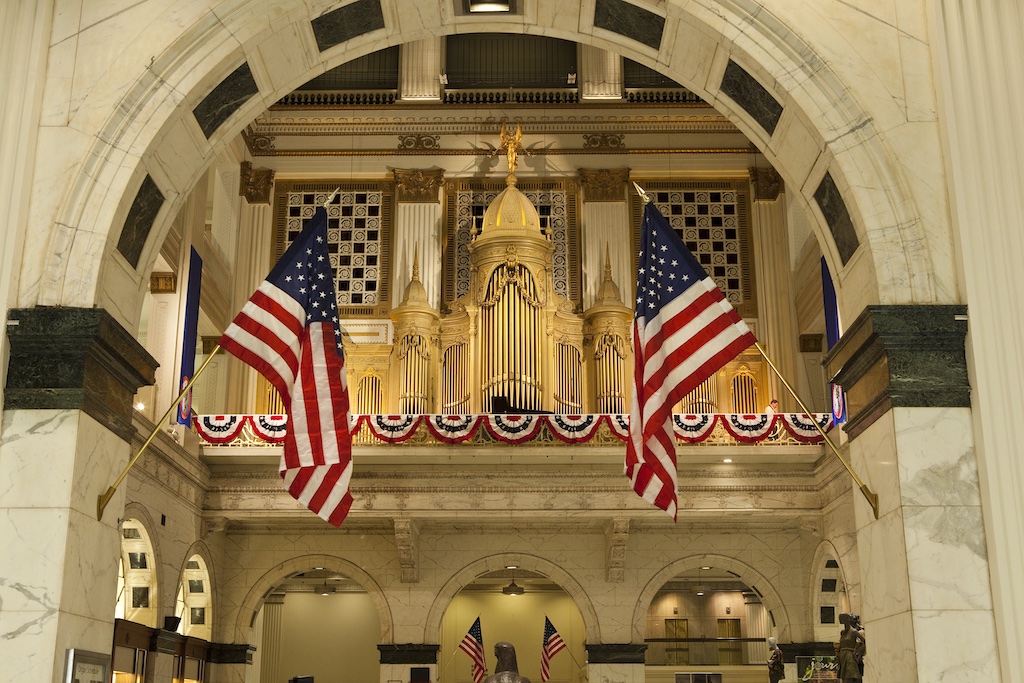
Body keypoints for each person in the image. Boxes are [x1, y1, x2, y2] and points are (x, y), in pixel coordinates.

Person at [837, 613, 866, 682]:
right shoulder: (842, 632)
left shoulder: (853, 632)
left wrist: (859, 652)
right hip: (842, 656)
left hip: (850, 657)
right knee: (844, 678)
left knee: (849, 677)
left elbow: (864, 642)